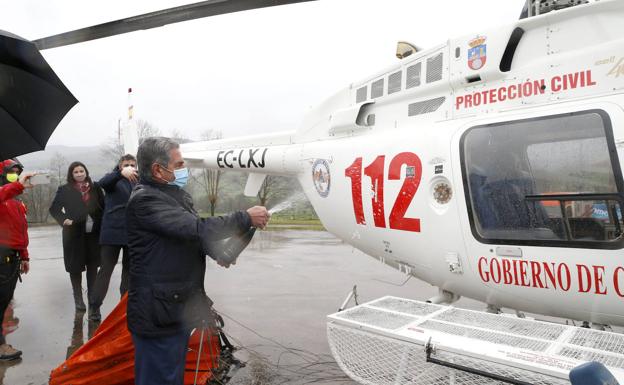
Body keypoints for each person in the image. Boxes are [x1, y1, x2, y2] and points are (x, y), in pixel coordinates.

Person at [127, 137, 269, 385]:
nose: (184, 170)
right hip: (157, 312)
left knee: (172, 377)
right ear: (158, 169)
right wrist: (245, 217)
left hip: (174, 307)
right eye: (179, 164)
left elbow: (189, 238)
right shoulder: (146, 200)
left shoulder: (175, 196)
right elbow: (195, 228)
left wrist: (218, 252)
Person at [49, 162, 104, 313]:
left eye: (81, 171)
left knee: (93, 266)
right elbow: (54, 209)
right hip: (73, 235)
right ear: (71, 175)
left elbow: (103, 206)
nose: (79, 174)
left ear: (86, 172)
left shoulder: (95, 187)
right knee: (75, 267)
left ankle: (92, 298)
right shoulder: (65, 189)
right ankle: (78, 299)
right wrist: (64, 220)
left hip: (93, 234)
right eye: (76, 172)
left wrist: (100, 221)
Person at [89, 154, 138, 321]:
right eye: (126, 165)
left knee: (129, 273)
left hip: (132, 234)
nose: (130, 167)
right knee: (105, 271)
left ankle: (124, 308)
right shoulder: (113, 179)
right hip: (112, 234)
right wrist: (120, 174)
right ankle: (94, 307)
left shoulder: (138, 181)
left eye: (132, 164)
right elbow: (102, 183)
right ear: (120, 166)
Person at [0, 159, 34, 360]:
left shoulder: (17, 201)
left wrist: (24, 256)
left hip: (12, 258)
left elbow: (22, 230)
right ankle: (1, 346)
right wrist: (18, 184)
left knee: (4, 302)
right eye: (12, 172)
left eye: (18, 171)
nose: (16, 174)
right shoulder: (3, 194)